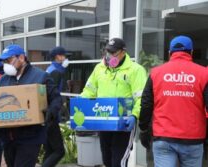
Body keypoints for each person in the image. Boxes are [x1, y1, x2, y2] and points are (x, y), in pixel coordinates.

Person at [139, 35, 208, 167]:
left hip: (163, 137)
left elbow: (146, 104)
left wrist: (143, 129)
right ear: (191, 52)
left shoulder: (156, 73)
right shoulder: (204, 74)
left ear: (170, 53)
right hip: (193, 139)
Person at [80, 38, 147, 167]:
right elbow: (89, 90)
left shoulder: (135, 70)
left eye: (113, 52)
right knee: (107, 160)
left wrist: (134, 115)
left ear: (123, 52)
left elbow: (141, 97)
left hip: (124, 123)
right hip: (104, 121)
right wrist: (80, 104)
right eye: (107, 52)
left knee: (118, 162)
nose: (109, 56)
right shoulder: (99, 68)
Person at [0, 44, 62, 167]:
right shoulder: (3, 80)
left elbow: (56, 98)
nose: (6, 64)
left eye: (8, 60)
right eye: (4, 61)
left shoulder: (41, 76)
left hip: (30, 137)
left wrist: (51, 111)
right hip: (7, 137)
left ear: (21, 58)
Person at [42, 47, 68, 167]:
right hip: (51, 114)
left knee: (50, 150)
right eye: (63, 55)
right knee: (59, 151)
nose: (65, 58)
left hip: (46, 113)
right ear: (58, 56)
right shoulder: (56, 72)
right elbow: (54, 93)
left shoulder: (50, 69)